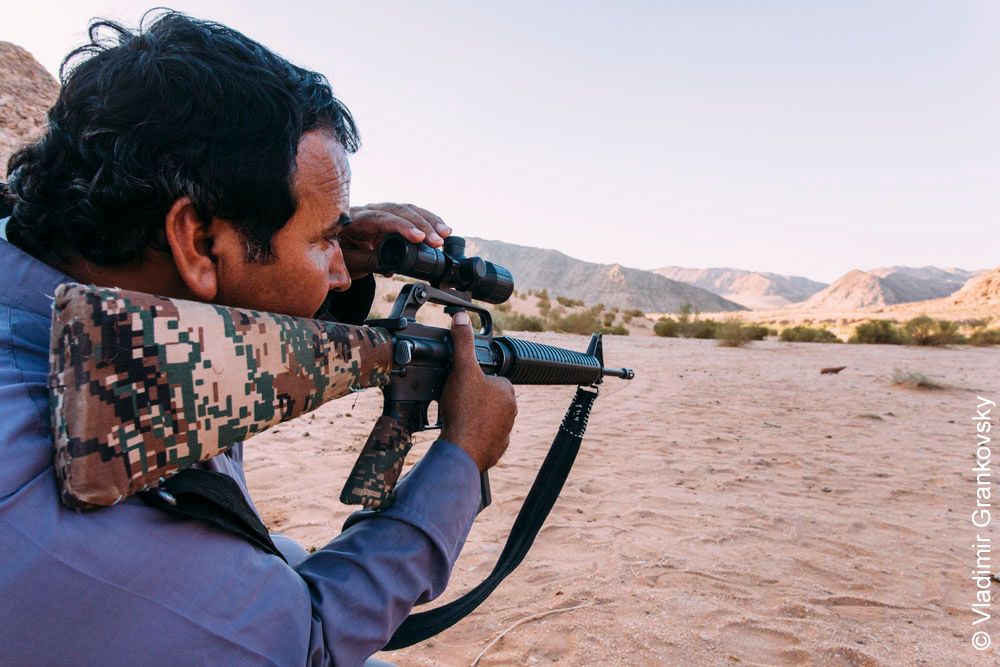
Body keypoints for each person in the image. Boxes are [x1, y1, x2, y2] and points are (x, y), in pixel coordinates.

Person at [0, 11, 517, 666]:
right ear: (197, 242)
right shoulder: (29, 477)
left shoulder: (109, 302)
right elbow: (305, 642)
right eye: (325, 239)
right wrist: (461, 460)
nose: (339, 266)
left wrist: (334, 256)